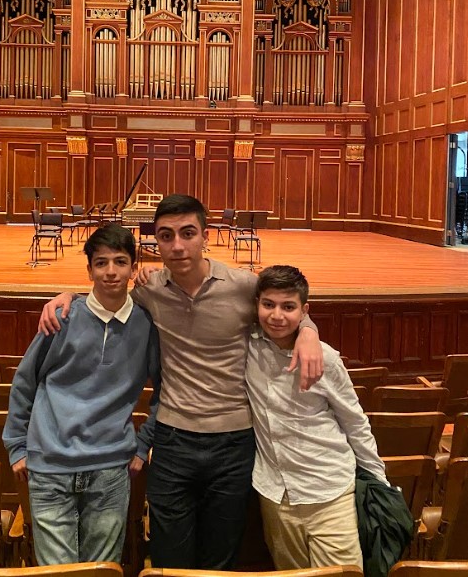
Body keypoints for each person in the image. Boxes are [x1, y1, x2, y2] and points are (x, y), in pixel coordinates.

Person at [38, 194, 323, 569]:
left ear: (205, 235)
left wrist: (308, 330)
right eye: (166, 236)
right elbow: (106, 293)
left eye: (187, 233)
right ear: (155, 240)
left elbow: (284, 306)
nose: (177, 245)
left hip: (234, 441)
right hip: (173, 441)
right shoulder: (150, 288)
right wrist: (67, 297)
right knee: (168, 559)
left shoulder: (242, 285)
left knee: (220, 559)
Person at [3, 223, 160, 566]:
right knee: (57, 573)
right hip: (50, 468)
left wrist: (143, 444)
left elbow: (165, 391)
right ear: (89, 270)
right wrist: (16, 445)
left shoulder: (147, 325)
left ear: (133, 268)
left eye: (120, 262)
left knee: (101, 570)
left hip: (110, 470)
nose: (110, 272)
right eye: (101, 263)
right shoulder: (61, 317)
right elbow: (26, 381)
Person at [247, 264, 387, 571]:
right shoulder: (247, 348)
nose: (277, 315)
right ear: (257, 304)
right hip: (275, 496)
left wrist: (380, 484)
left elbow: (355, 422)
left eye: (288, 307)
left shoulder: (325, 358)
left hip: (329, 492)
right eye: (268, 304)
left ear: (304, 310)